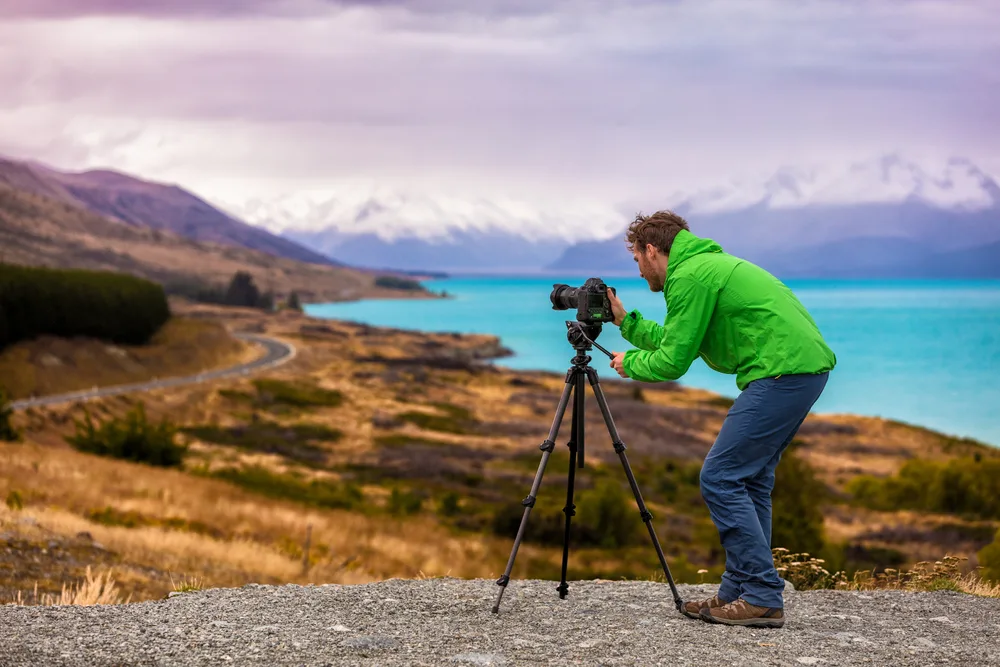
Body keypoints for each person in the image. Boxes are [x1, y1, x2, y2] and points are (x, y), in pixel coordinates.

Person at [607, 210, 836, 629]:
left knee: (721, 476)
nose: (639, 272)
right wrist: (627, 322)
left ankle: (764, 597)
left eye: (637, 260)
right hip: (801, 371)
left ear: (651, 250)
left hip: (782, 373)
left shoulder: (688, 276)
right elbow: (681, 340)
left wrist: (632, 364)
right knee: (749, 481)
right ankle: (739, 591)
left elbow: (673, 361)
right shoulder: (703, 267)